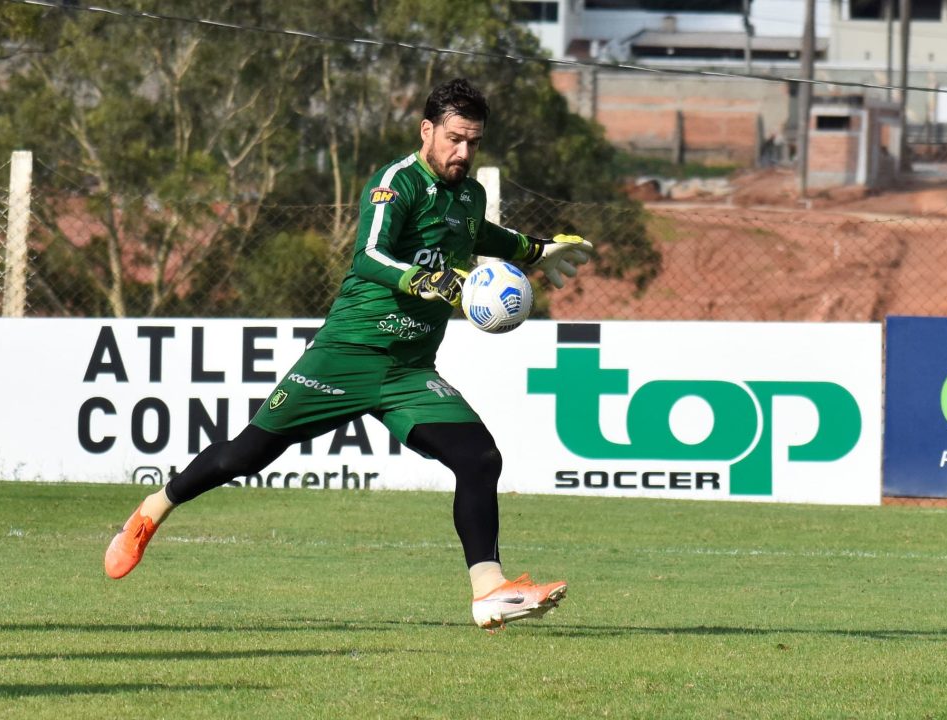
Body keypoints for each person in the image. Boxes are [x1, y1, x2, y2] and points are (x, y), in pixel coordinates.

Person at [104, 78, 592, 630]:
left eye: (474, 143)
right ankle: (151, 512)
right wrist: (421, 279)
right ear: (427, 130)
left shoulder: (468, 194)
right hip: (347, 355)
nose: (463, 153)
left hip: (408, 371)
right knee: (245, 456)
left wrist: (536, 250)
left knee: (479, 459)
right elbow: (368, 256)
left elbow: (478, 233)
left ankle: (489, 591)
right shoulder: (395, 183)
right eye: (455, 139)